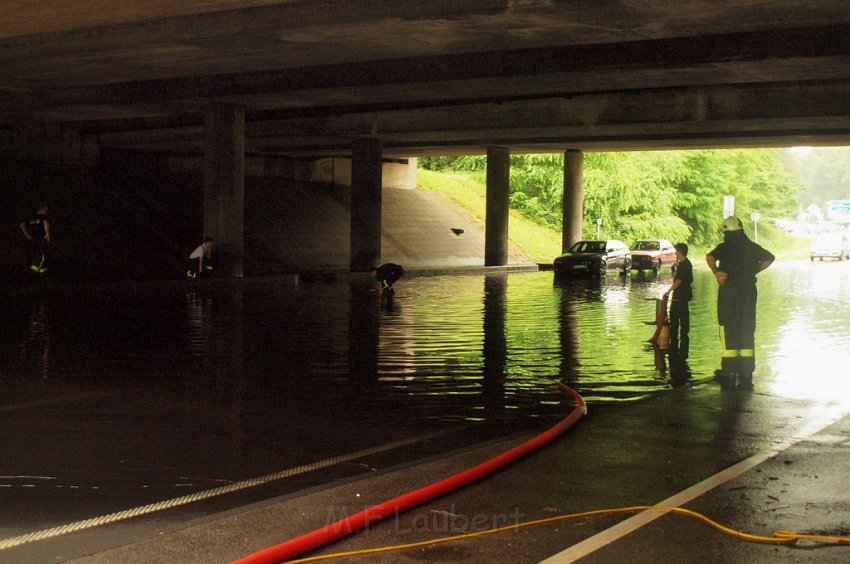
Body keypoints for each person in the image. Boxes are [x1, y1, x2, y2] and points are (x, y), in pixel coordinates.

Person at [706, 216, 775, 390]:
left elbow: (709, 257)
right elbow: (769, 258)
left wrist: (717, 272)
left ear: (726, 233)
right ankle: (746, 373)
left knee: (728, 329)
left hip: (729, 292)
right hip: (748, 293)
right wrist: (753, 271)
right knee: (746, 329)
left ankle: (729, 372)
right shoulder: (751, 247)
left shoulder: (724, 247)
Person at [664, 243, 693, 354]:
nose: (675, 253)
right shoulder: (683, 264)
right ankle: (677, 341)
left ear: (680, 252)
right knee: (676, 318)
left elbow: (679, 281)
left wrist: (669, 291)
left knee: (680, 317)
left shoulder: (685, 265)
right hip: (680, 295)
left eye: (676, 251)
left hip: (681, 296)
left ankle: (682, 340)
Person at [20, 203, 50, 274]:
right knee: (42, 253)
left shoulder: (31, 217)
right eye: (46, 210)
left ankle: (38, 268)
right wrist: (48, 234)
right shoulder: (43, 217)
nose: (47, 211)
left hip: (32, 238)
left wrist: (27, 235)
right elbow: (46, 224)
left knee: (34, 252)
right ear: (43, 209)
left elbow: (22, 225)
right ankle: (35, 268)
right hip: (41, 237)